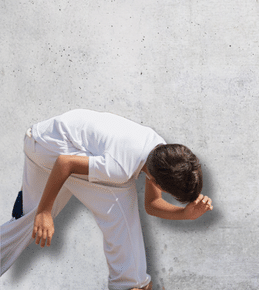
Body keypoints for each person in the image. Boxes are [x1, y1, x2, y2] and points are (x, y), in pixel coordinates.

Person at [1, 109, 213, 290]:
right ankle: (131, 284)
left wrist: (185, 214)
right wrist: (45, 211)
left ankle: (131, 282)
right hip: (52, 150)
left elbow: (151, 205)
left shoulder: (160, 152)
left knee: (28, 224)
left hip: (40, 138)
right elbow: (65, 163)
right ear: (157, 182)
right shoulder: (118, 168)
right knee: (120, 198)